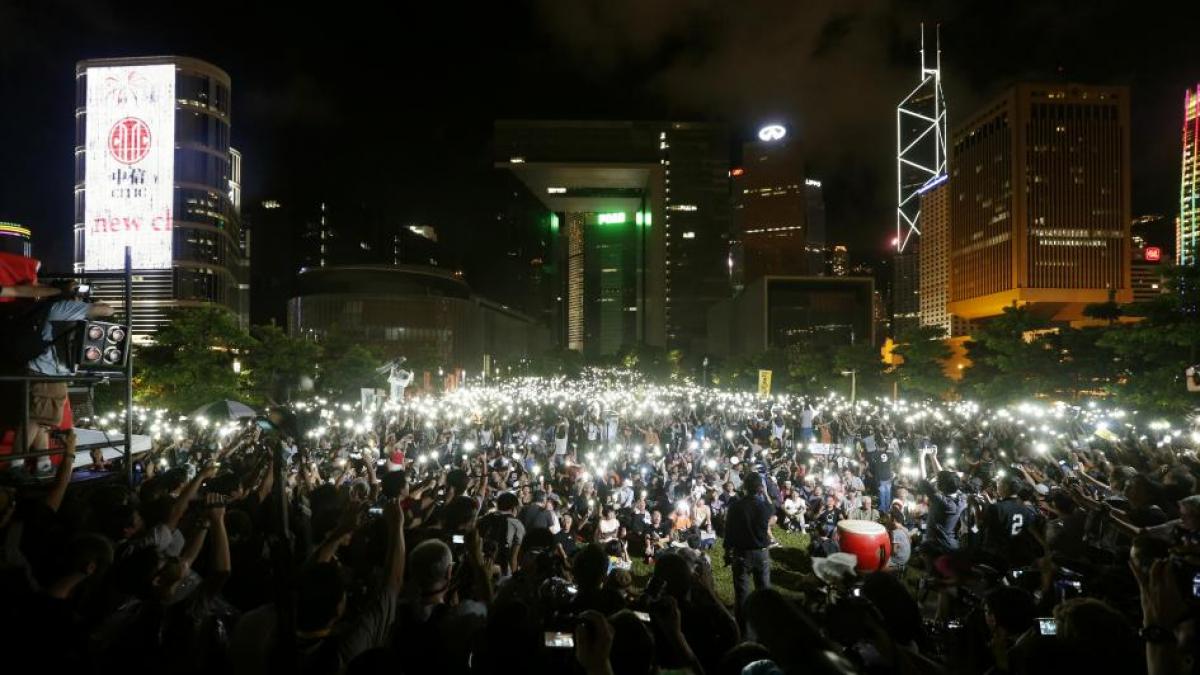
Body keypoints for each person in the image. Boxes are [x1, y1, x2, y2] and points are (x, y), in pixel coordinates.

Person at [25, 281, 113, 452]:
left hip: (49, 371)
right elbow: (108, 310)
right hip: (47, 371)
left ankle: (42, 462)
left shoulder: (58, 307)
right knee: (36, 419)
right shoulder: (65, 307)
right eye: (77, 289)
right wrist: (91, 301)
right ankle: (16, 463)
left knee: (44, 422)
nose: (80, 292)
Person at [723, 472, 773, 628]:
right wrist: (764, 492)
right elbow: (772, 508)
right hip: (761, 552)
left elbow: (729, 531)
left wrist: (726, 552)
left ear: (744, 487)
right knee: (764, 592)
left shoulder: (735, 506)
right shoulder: (764, 506)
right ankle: (764, 625)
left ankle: (743, 629)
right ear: (760, 487)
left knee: (742, 594)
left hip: (741, 553)